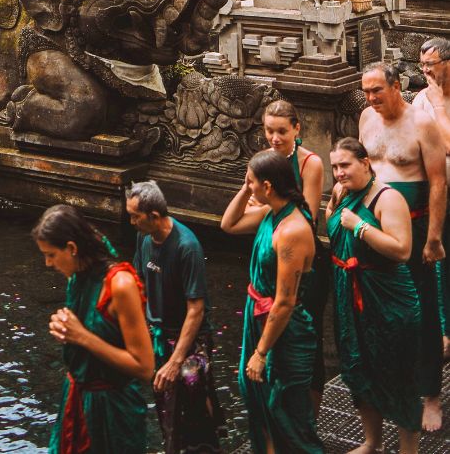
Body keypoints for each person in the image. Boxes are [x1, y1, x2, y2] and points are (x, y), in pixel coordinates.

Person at [359, 60, 446, 432]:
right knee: (375, 309)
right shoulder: (366, 118)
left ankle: (430, 395)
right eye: (366, 91)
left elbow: (439, 182)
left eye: (377, 90)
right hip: (374, 227)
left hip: (415, 224)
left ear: (396, 87)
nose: (371, 97)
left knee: (422, 310)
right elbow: (362, 169)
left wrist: (434, 237)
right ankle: (385, 387)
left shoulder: (422, 124)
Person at [221, 151, 323, 454]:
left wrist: (261, 352)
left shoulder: (292, 230)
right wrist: (245, 187)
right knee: (255, 397)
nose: (247, 187)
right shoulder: (269, 213)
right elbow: (228, 224)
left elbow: (285, 302)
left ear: (268, 186)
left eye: (251, 182)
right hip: (258, 317)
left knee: (287, 411)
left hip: (283, 330)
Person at [33, 203, 154, 454]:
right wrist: (66, 330)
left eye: (51, 255)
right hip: (78, 398)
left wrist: (82, 337)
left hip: (113, 411)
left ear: (72, 248)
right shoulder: (77, 276)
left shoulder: (120, 285)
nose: (47, 263)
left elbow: (144, 367)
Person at [327, 137, 422, 453]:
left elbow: (402, 250)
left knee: (396, 373)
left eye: (345, 165)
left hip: (387, 298)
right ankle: (372, 442)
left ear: (365, 163)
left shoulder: (387, 198)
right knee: (358, 368)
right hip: (350, 295)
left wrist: (359, 227)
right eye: (335, 167)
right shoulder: (343, 194)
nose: (339, 172)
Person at [127, 180, 226, 454]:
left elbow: (196, 309)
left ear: (154, 216)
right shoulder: (143, 237)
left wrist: (175, 361)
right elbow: (139, 284)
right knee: (166, 406)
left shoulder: (187, 246)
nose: (131, 222)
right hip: (157, 336)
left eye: (135, 216)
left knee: (195, 406)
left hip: (188, 341)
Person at [251, 99, 328, 407]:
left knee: (309, 335)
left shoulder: (311, 164)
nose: (275, 138)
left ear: (297, 129)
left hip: (305, 256)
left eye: (282, 131)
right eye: (269, 131)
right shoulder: (264, 160)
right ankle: (277, 405)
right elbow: (245, 210)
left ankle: (309, 413)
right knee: (270, 328)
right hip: (273, 251)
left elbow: (306, 216)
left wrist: (266, 206)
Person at [413, 36, 450, 360]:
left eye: (430, 65)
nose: (425, 71)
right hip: (437, 194)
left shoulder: (433, 102)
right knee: (439, 261)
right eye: (421, 65)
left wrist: (439, 104)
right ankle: (443, 330)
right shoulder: (421, 101)